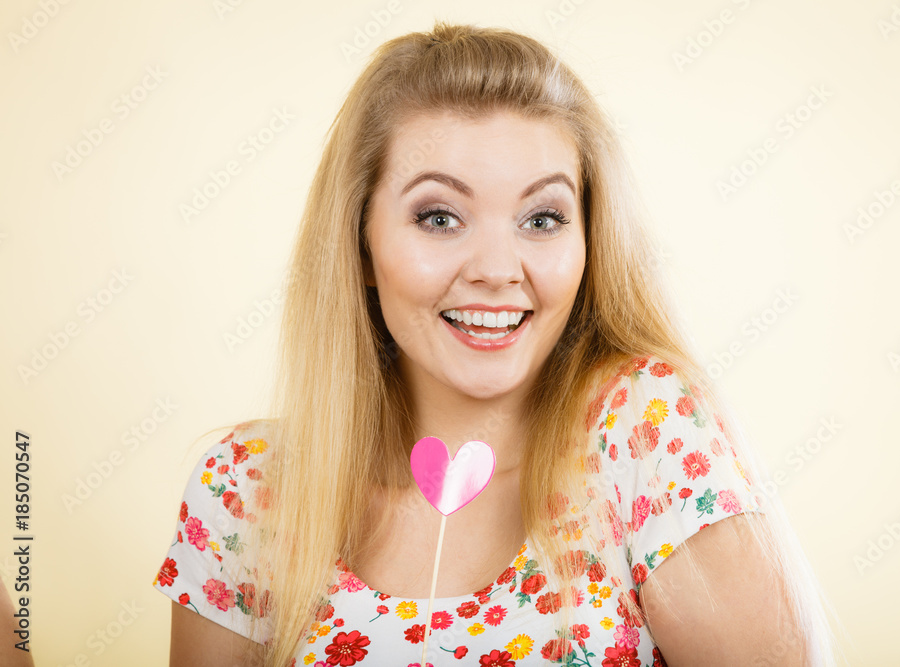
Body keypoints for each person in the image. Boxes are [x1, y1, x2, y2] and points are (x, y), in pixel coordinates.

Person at [152, 21, 842, 666]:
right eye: (439, 217)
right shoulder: (246, 490)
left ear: (589, 240)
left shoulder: (647, 431)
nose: (496, 269)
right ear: (361, 244)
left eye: (541, 218)